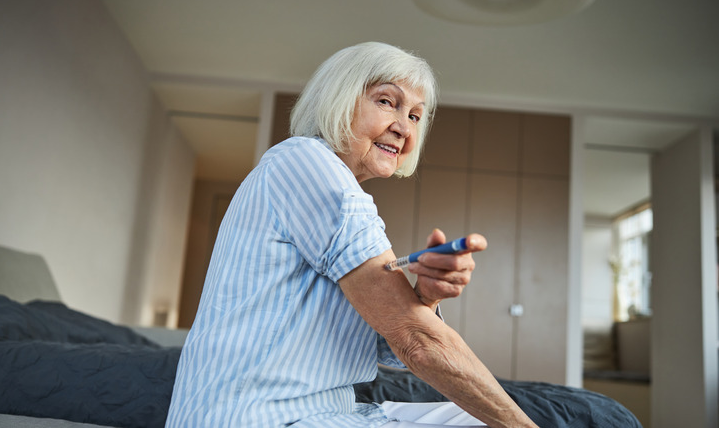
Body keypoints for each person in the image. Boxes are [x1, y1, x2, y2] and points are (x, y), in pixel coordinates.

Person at [165, 42, 537, 428]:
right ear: (337, 99)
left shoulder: (329, 185)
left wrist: (423, 297)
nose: (404, 128)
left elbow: (388, 345)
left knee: (464, 416)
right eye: (386, 102)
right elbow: (414, 341)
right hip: (260, 416)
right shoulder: (305, 163)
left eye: (414, 115)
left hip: (312, 412)